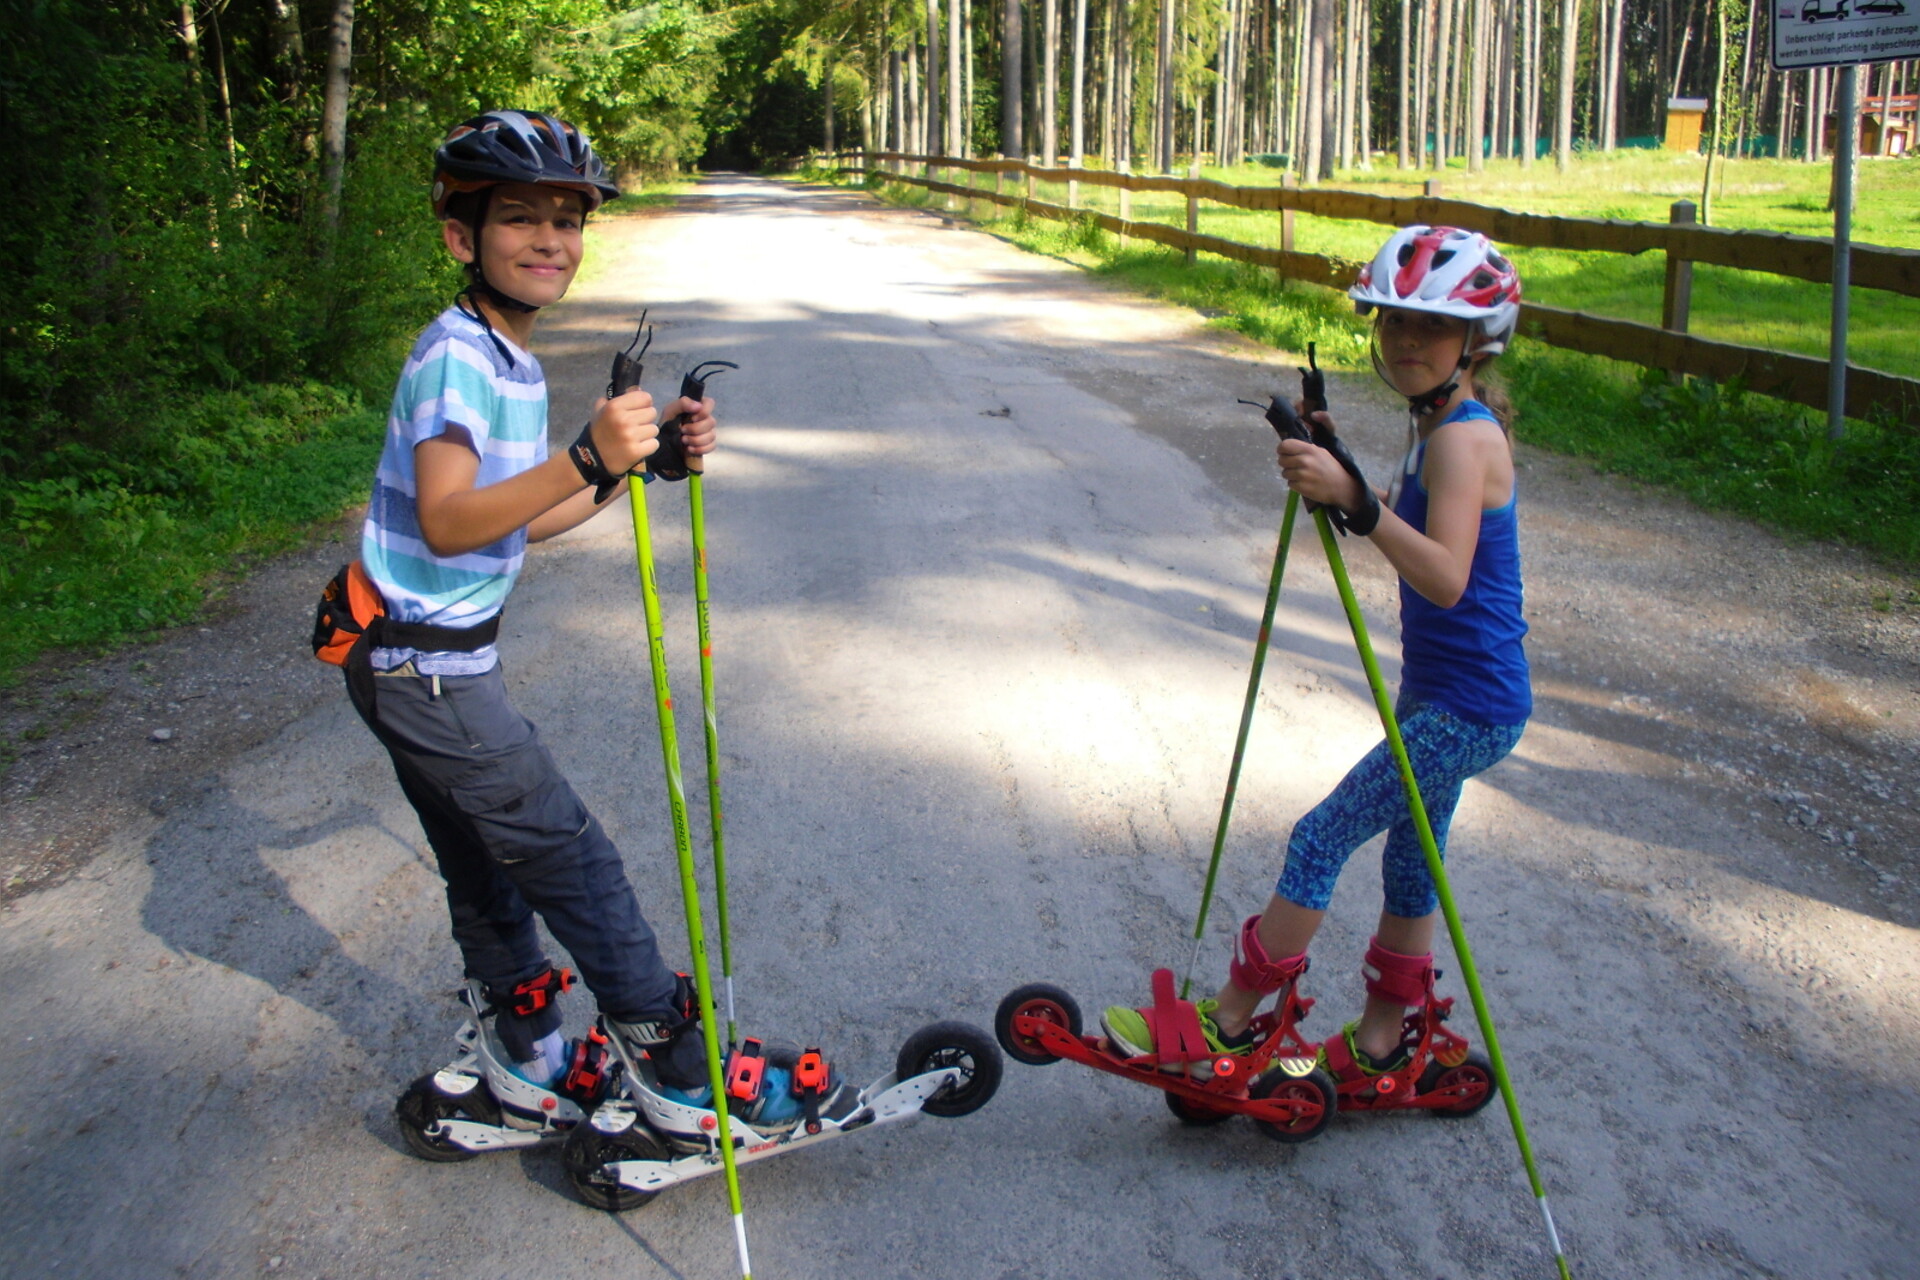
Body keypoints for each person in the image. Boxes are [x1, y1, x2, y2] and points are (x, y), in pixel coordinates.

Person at [343, 110, 806, 1122]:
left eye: (568, 218)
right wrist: (591, 453)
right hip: (426, 668)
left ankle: (529, 1051)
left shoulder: (501, 352)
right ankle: (678, 1073)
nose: (551, 238)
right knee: (569, 855)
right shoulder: (457, 359)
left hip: (410, 662)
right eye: (519, 217)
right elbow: (452, 517)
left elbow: (524, 519)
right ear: (462, 236)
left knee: (487, 866)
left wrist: (636, 467)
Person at [1103, 225, 1530, 1086]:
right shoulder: (1437, 424)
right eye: (1393, 323)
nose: (1405, 342)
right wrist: (1344, 472)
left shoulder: (1460, 438)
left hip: (1469, 703)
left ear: (1476, 342)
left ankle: (1228, 1025)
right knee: (1412, 863)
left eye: (1430, 327)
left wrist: (1356, 502)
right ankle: (1383, 1043)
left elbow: (1445, 577)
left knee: (1321, 834)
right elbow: (1410, 530)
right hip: (1446, 694)